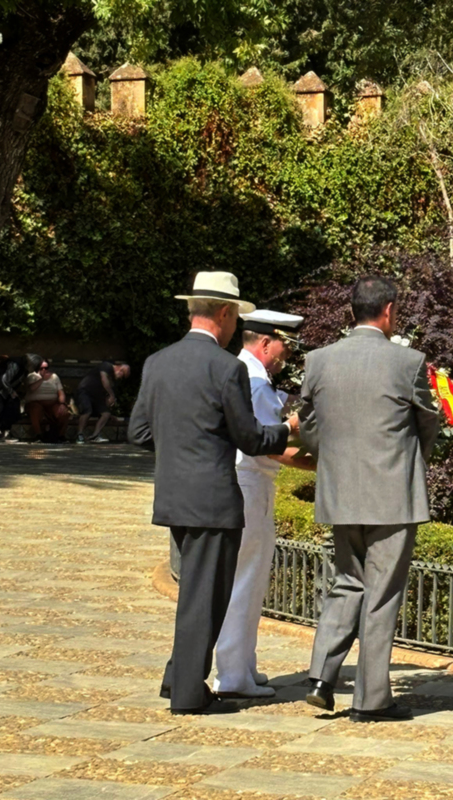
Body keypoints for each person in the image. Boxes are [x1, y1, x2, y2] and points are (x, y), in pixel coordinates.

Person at [128, 272, 299, 716]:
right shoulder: (227, 368)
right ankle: (188, 693)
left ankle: (176, 678)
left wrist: (183, 451)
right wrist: (289, 429)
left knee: (194, 593)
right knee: (208, 598)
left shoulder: (158, 361)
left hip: (174, 494)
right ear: (224, 313)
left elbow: (139, 431)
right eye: (234, 317)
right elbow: (250, 439)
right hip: (214, 500)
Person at [299, 275, 439, 723]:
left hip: (343, 492)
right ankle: (372, 700)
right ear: (389, 311)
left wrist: (337, 459)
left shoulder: (319, 361)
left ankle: (321, 677)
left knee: (347, 582)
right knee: (380, 594)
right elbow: (427, 424)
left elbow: (308, 424)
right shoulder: (408, 362)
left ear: (352, 310)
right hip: (393, 494)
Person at [214, 310, 316, 699]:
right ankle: (234, 674)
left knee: (249, 579)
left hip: (250, 481)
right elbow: (265, 445)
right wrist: (311, 459)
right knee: (246, 580)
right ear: (265, 343)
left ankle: (243, 665)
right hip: (250, 482)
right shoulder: (254, 381)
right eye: (284, 349)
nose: (284, 357)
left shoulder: (248, 374)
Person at [75, 362, 130, 444]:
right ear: (119, 368)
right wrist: (111, 395)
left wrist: (109, 404)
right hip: (85, 392)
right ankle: (80, 434)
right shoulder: (106, 366)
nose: (121, 376)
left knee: (106, 414)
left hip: (97, 397)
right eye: (122, 373)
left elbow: (106, 398)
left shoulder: (114, 380)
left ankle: (95, 435)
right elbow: (104, 379)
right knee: (87, 411)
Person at [0, 353, 42, 442]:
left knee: (13, 407)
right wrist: (11, 392)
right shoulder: (16, 364)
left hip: (4, 390)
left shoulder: (24, 369)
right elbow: (5, 380)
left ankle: (6, 432)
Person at [25, 359, 70, 442]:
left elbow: (60, 392)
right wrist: (42, 379)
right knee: (35, 409)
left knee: (64, 413)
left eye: (46, 368)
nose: (44, 370)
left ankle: (60, 436)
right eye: (41, 368)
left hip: (52, 403)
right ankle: (39, 435)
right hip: (36, 402)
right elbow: (31, 388)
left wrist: (62, 403)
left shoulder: (54, 377)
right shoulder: (32, 376)